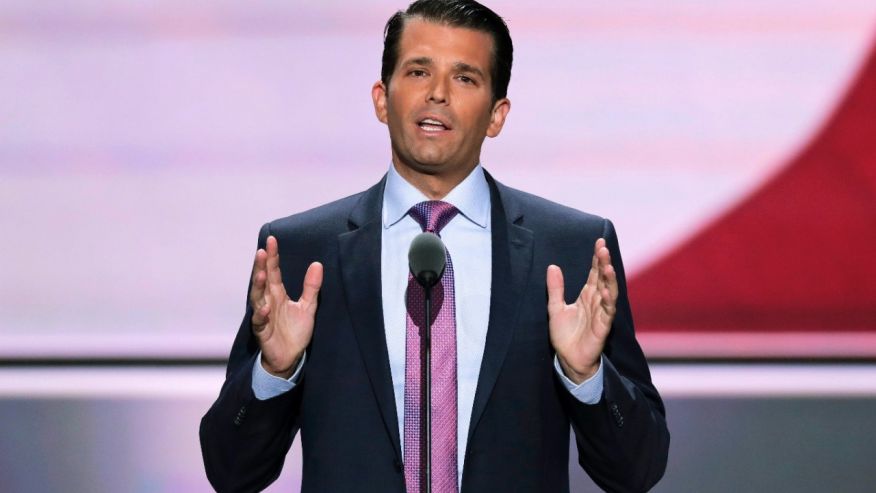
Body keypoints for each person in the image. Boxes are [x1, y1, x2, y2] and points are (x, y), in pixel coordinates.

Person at [199, 1, 669, 492]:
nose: (438, 94)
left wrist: (586, 375)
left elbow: (637, 470)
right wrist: (275, 370)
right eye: (419, 71)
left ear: (497, 115)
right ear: (382, 99)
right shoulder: (301, 254)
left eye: (465, 78)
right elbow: (232, 472)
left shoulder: (570, 251)